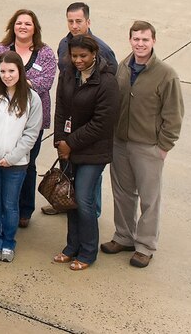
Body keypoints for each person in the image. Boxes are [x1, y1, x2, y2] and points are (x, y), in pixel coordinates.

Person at [102, 21, 184, 269]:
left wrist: (163, 146)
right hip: (120, 143)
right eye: (136, 39)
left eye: (145, 39)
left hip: (148, 146)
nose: (140, 44)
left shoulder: (166, 74)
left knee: (150, 199)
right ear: (130, 40)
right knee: (123, 193)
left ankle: (145, 246)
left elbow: (174, 115)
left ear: (153, 41)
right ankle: (124, 237)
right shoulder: (123, 67)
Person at [52, 34, 120, 271]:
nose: (78, 60)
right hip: (67, 149)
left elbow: (102, 123)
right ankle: (72, 247)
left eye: (83, 56)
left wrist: (70, 143)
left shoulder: (107, 82)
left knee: (83, 199)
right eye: (74, 56)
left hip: (93, 151)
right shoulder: (67, 74)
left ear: (94, 54)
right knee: (69, 198)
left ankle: (88, 252)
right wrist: (60, 140)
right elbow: (61, 108)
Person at [0, 8, 56, 227]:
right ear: (12, 26)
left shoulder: (45, 53)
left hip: (32, 118)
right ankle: (6, 208)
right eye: (19, 23)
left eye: (28, 23)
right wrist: (21, 83)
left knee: (28, 163)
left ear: (35, 28)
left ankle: (24, 209)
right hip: (2, 118)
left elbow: (47, 81)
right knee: (2, 162)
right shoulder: (1, 49)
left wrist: (21, 84)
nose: (23, 27)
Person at [0, 51, 42, 263]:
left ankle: (8, 241)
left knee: (10, 204)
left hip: (18, 163)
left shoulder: (32, 98)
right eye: (2, 71)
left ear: (20, 71)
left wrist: (12, 158)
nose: (7, 75)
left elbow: (31, 133)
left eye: (11, 71)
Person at [56, 3, 118, 73]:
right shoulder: (63, 44)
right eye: (71, 22)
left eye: (78, 21)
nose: (74, 26)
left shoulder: (102, 49)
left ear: (88, 22)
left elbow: (113, 74)